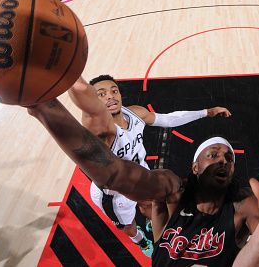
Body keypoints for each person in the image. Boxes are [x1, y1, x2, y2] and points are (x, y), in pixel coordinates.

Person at [27, 99, 259, 266]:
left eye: (228, 157)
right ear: (194, 166)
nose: (223, 159)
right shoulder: (171, 190)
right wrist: (45, 106)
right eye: (213, 154)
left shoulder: (243, 207)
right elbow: (113, 173)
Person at [68, 74, 232, 257]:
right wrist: (68, 73)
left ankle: (150, 221)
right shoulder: (97, 129)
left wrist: (206, 112)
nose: (110, 96)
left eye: (114, 91)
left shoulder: (135, 113)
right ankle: (140, 240)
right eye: (101, 94)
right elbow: (83, 99)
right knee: (128, 225)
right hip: (114, 195)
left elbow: (169, 119)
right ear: (94, 101)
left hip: (142, 173)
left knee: (152, 202)